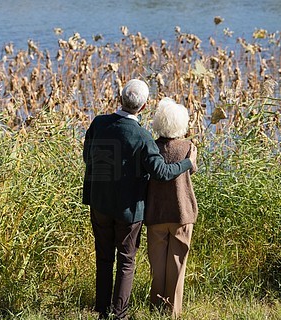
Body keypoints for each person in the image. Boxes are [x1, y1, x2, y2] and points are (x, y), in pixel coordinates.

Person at [82, 79, 197, 320]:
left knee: (103, 257)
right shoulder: (142, 137)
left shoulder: (99, 124)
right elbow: (162, 172)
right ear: (143, 108)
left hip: (99, 203)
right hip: (128, 210)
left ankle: (102, 310)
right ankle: (119, 315)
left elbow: (88, 157)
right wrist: (188, 162)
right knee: (126, 261)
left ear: (120, 99)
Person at [145, 97, 198, 319]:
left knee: (157, 263)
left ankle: (155, 305)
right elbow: (191, 171)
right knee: (177, 262)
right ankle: (172, 310)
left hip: (155, 212)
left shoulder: (151, 147)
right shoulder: (188, 147)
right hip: (181, 212)